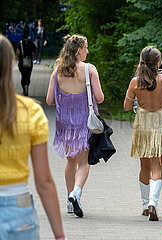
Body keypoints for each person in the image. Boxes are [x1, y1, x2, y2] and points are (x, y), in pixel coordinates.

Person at [0, 34, 67, 240]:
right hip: (17, 210)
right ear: (11, 63)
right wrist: (59, 235)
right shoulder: (31, 112)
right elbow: (44, 181)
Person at [46, 34, 104, 218]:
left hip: (66, 123)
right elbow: (100, 97)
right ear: (79, 50)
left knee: (70, 161)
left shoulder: (58, 71)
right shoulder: (89, 69)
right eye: (86, 47)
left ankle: (69, 201)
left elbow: (49, 100)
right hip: (84, 123)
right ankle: (76, 193)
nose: (87, 51)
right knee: (84, 163)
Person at [124, 46, 162, 221]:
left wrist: (135, 99)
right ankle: (153, 203)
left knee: (144, 167)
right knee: (158, 167)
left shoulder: (135, 82)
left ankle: (144, 205)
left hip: (142, 125)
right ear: (158, 62)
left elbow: (127, 107)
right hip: (161, 125)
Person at [16, 28, 37, 96]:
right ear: (28, 35)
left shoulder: (20, 43)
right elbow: (34, 52)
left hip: (22, 62)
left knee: (23, 75)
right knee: (28, 75)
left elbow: (18, 52)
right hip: (29, 62)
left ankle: (24, 87)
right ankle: (27, 85)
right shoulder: (31, 43)